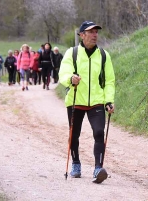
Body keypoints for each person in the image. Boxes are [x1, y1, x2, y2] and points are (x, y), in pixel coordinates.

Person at [59, 21, 115, 184]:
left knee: (99, 132)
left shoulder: (104, 55)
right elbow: (63, 73)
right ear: (82, 35)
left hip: (97, 102)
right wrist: (71, 79)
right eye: (90, 32)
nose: (94, 35)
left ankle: (98, 168)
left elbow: (109, 81)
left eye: (96, 32)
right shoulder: (72, 53)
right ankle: (76, 164)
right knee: (74, 134)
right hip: (76, 100)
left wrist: (108, 100)